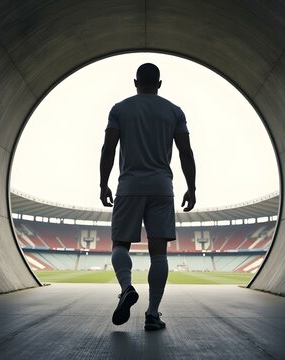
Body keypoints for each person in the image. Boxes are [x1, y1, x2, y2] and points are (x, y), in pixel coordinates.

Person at [99, 63, 196, 331]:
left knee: (119, 245)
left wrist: (103, 184)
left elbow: (108, 148)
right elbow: (186, 152)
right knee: (159, 255)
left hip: (129, 186)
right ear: (160, 83)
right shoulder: (174, 111)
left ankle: (127, 287)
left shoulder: (120, 109)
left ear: (135, 82)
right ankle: (152, 315)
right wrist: (192, 187)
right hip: (162, 187)